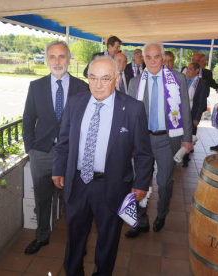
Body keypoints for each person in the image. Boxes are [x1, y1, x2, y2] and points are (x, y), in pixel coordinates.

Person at [53, 56, 153, 275]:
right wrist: (59, 169)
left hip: (112, 185)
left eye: (105, 79)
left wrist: (141, 183)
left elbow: (144, 153)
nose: (98, 85)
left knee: (108, 240)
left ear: (116, 79)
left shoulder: (133, 109)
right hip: (77, 182)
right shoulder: (75, 103)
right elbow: (64, 142)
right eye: (93, 78)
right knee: (74, 236)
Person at [22, 40, 89, 255]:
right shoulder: (36, 86)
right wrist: (31, 148)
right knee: (42, 199)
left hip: (72, 155)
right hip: (42, 153)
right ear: (46, 60)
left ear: (69, 59)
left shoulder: (82, 87)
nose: (57, 61)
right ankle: (42, 236)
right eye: (52, 56)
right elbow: (28, 120)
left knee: (75, 200)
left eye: (61, 56)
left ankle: (77, 242)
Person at [126, 42, 193, 238]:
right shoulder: (135, 83)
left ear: (162, 58)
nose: (153, 61)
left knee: (164, 183)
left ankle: (162, 213)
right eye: (149, 57)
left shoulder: (178, 78)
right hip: (142, 140)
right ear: (143, 59)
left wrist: (187, 138)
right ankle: (142, 221)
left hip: (166, 139)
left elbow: (185, 111)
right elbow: (129, 116)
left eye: (156, 57)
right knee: (141, 182)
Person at [182, 62, 209, 167]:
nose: (187, 71)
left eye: (190, 69)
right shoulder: (183, 79)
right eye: (187, 68)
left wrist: (197, 118)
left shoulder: (202, 83)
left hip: (192, 113)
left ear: (196, 71)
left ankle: (185, 157)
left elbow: (201, 102)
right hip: (181, 112)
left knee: (189, 135)